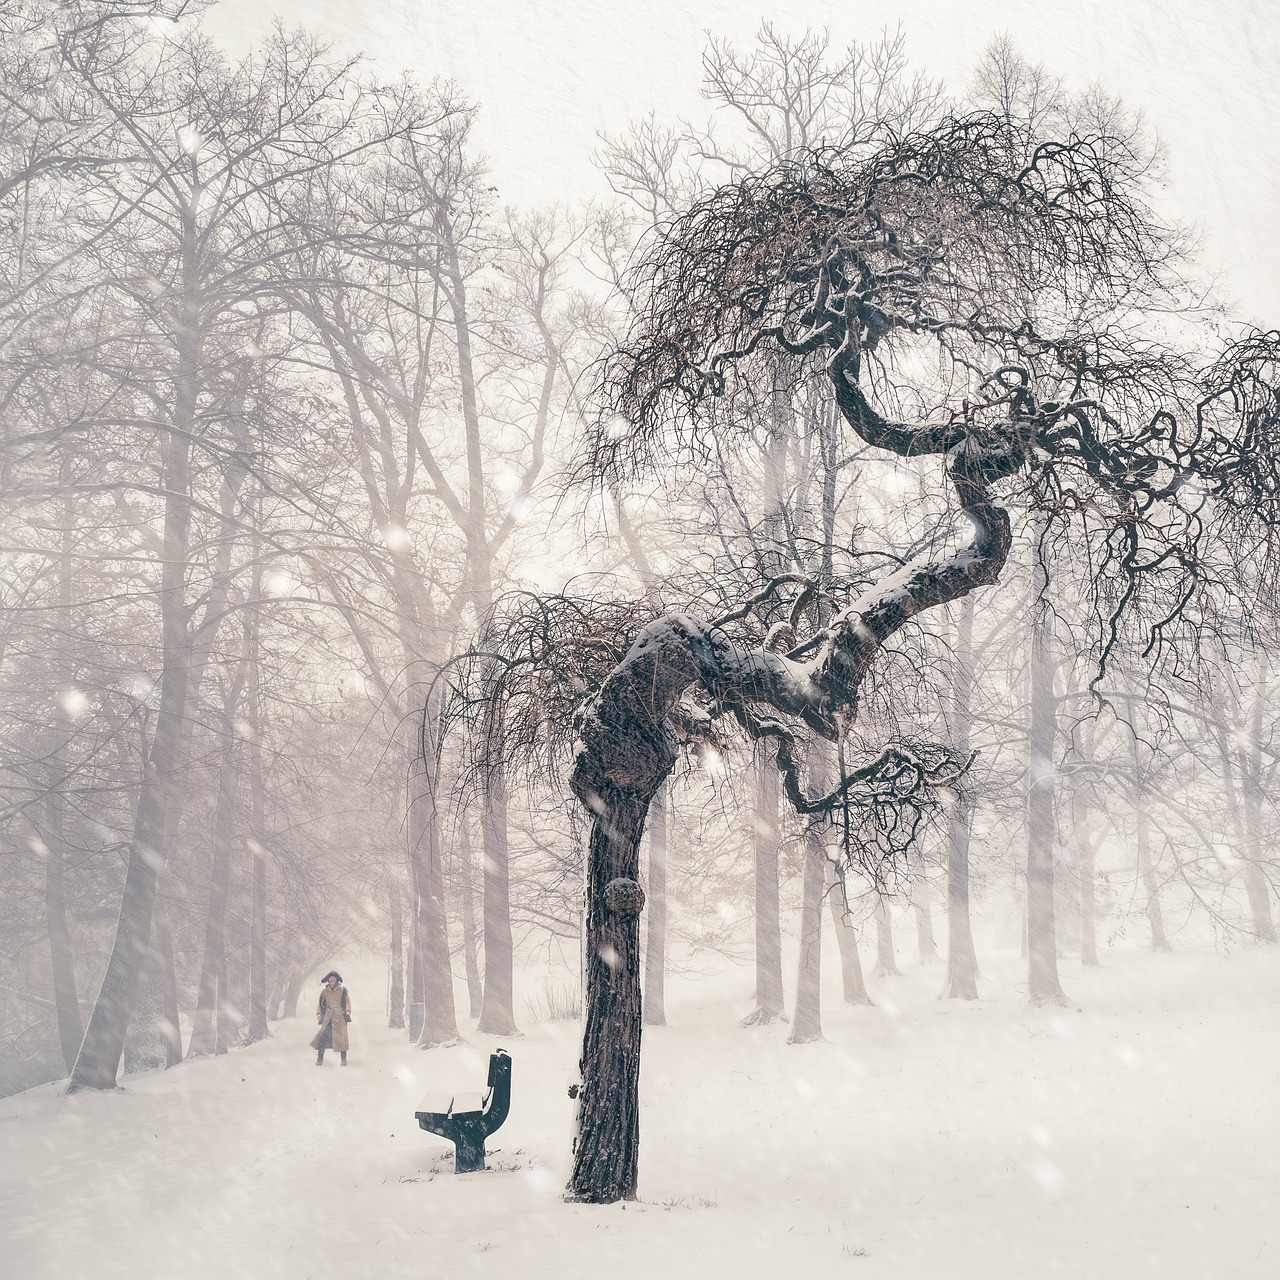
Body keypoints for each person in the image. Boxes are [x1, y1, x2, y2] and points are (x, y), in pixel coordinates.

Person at [310, 970, 352, 1066]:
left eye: (334, 978)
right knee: (323, 1038)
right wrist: (319, 1013)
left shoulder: (342, 989)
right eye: (330, 978)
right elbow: (320, 1003)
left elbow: (347, 1001)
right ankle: (319, 1059)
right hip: (328, 1017)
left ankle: (343, 1060)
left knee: (341, 1039)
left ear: (337, 980)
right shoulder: (324, 991)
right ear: (328, 980)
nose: (332, 979)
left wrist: (348, 1010)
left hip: (340, 1017)